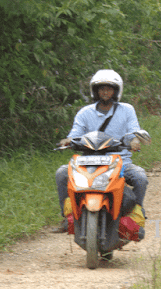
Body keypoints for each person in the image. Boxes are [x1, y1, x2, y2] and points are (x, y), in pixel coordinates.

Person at [53, 69, 148, 233]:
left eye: (109, 88)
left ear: (116, 91)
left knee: (140, 178)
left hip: (120, 160)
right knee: (61, 173)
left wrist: (134, 140)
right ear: (95, 91)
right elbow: (76, 133)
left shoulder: (127, 109)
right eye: (101, 88)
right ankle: (67, 216)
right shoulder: (85, 112)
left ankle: (135, 215)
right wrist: (68, 141)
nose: (105, 92)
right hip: (88, 161)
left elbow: (134, 130)